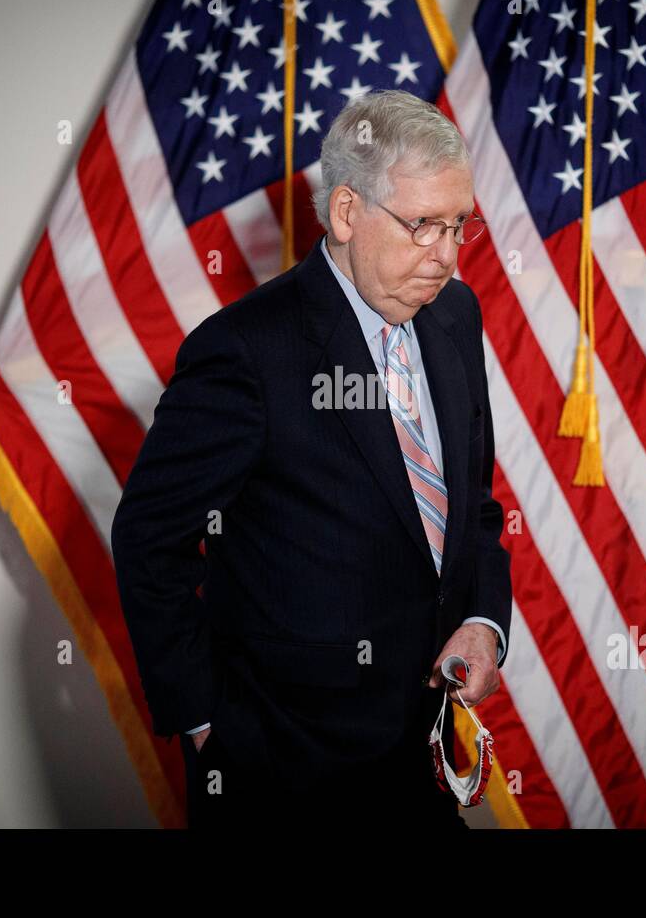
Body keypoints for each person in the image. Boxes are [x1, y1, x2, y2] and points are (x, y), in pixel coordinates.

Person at [110, 89, 513, 830]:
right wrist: (209, 727)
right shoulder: (244, 351)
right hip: (281, 776)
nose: (448, 255)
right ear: (347, 213)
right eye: (423, 224)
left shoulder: (455, 315)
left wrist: (484, 620)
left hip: (419, 754)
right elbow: (147, 540)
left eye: (459, 225)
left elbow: (474, 503)